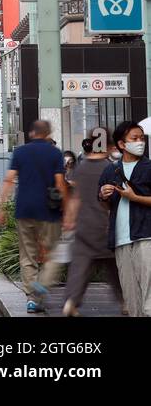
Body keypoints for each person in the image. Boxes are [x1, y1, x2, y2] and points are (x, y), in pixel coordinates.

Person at [0, 119, 67, 314]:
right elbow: (60, 184)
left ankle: (31, 299)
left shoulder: (20, 152)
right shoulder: (55, 153)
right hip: (49, 211)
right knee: (53, 253)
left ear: (32, 133)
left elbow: (9, 179)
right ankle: (41, 285)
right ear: (49, 133)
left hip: (24, 209)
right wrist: (66, 210)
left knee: (28, 255)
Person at [62, 131, 124, 316]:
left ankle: (71, 301)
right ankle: (125, 301)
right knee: (116, 268)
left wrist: (69, 220)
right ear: (109, 146)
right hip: (106, 224)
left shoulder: (81, 168)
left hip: (84, 224)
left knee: (80, 266)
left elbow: (75, 198)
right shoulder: (112, 168)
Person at [99, 121, 151, 316]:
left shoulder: (148, 167)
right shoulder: (110, 170)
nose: (140, 142)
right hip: (121, 239)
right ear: (122, 144)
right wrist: (104, 195)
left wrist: (135, 197)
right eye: (134, 138)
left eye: (142, 138)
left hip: (146, 236)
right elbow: (105, 204)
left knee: (149, 297)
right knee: (131, 297)